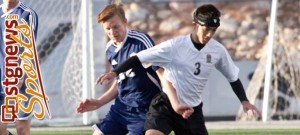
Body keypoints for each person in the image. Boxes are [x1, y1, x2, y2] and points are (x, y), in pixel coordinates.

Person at [98, 4, 261, 135]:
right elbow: (138, 58)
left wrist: (244, 101)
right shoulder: (174, 46)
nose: (209, 35)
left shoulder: (217, 50)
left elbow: (232, 77)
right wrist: (114, 72)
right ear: (195, 25)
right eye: (206, 29)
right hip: (166, 105)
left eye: (213, 30)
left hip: (192, 111)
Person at [76, 3, 161, 135]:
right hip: (122, 108)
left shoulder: (140, 41)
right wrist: (99, 102)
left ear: (125, 22)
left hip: (145, 109)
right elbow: (121, 81)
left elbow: (161, 72)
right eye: (107, 28)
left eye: (116, 27)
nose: (112, 32)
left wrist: (171, 102)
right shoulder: (110, 48)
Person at [0, 0, 38, 135]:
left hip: (21, 80)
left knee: (22, 129)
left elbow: (29, 49)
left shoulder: (28, 14)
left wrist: (20, 75)